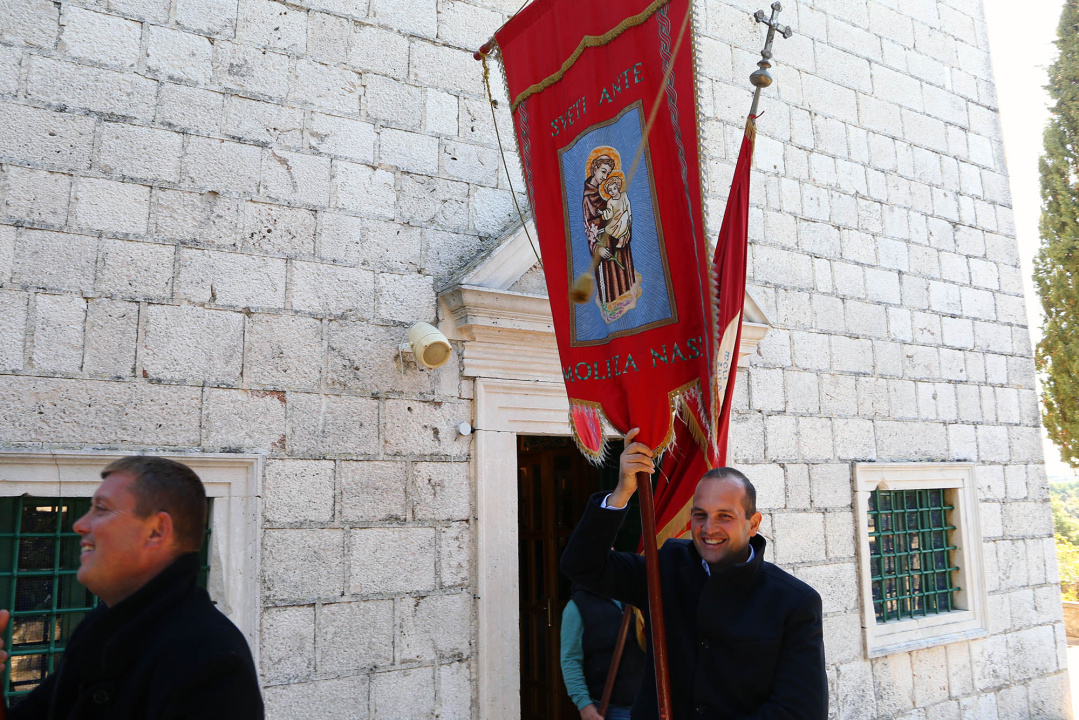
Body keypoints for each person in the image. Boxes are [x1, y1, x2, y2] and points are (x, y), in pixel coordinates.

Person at [560, 429, 827, 719]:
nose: (709, 528)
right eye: (700, 514)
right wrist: (621, 492)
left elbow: (801, 710)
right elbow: (582, 567)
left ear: (753, 524)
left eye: (724, 516)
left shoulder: (794, 601)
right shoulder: (664, 568)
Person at [0, 456, 264, 719]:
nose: (79, 525)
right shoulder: (99, 626)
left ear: (156, 531)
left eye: (101, 509)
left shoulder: (212, 661)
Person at [561, 583, 645, 720]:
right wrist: (584, 704)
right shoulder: (577, 606)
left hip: (647, 704)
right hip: (610, 709)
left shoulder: (635, 596)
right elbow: (570, 659)